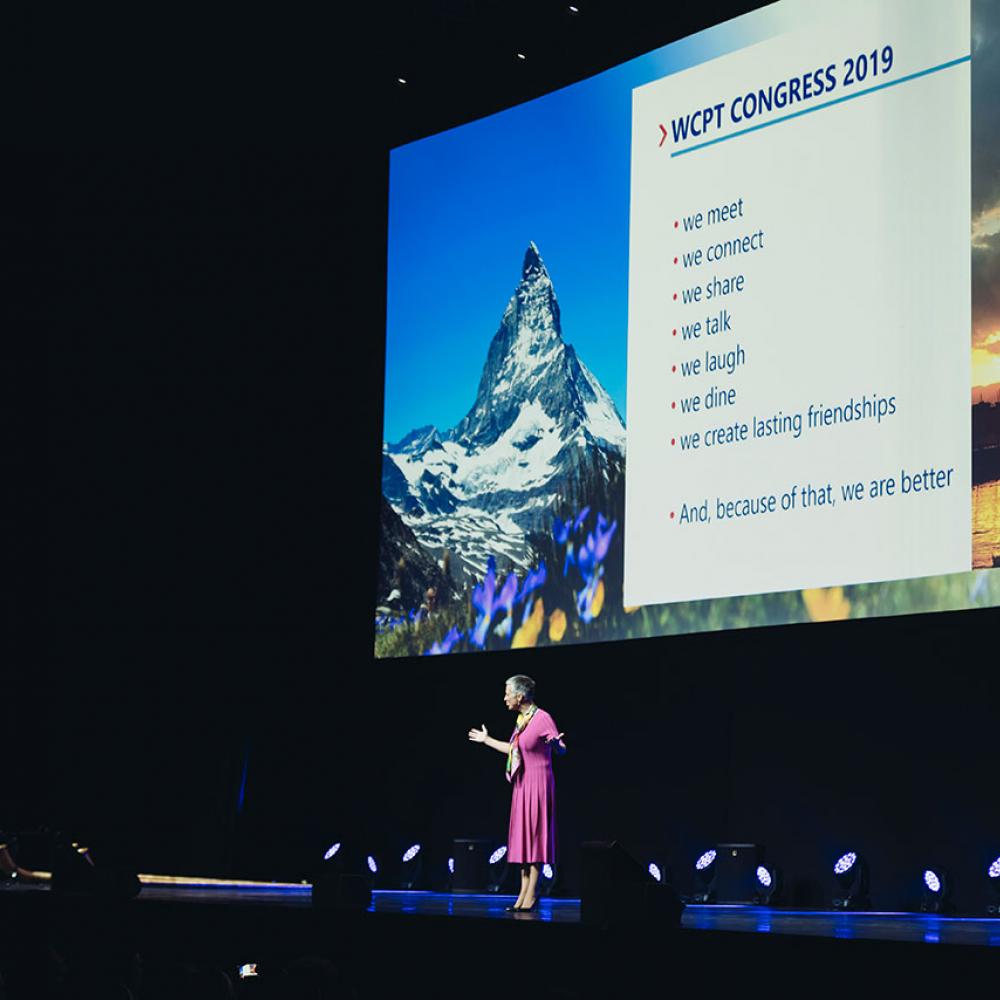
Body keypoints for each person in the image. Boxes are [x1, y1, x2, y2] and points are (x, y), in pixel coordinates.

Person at [468, 674, 566, 912]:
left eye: (507, 694)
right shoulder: (522, 721)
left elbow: (561, 748)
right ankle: (523, 893)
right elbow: (514, 751)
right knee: (524, 840)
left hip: (539, 785)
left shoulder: (542, 718)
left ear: (520, 696)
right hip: (522, 785)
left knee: (536, 839)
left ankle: (532, 893)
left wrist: (556, 745)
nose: (505, 698)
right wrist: (487, 740)